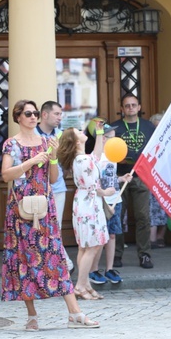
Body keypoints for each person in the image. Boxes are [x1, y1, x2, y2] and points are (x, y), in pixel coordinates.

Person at [1, 100, 99, 331]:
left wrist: (52, 157)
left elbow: (53, 178)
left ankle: (75, 313)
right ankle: (32, 316)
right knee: (24, 260)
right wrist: (32, 161)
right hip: (20, 210)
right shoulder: (11, 144)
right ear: (18, 117)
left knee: (55, 257)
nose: (34, 117)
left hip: (45, 208)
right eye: (28, 113)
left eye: (35, 113)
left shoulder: (47, 141)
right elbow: (5, 175)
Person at [58, 120, 112, 300]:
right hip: (89, 205)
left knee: (85, 246)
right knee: (93, 245)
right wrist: (107, 192)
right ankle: (80, 285)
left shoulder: (82, 158)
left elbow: (96, 156)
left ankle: (84, 283)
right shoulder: (82, 159)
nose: (82, 131)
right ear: (76, 141)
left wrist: (98, 134)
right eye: (78, 131)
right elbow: (92, 186)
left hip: (85, 204)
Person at [111, 95, 156, 269]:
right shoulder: (115, 127)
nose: (130, 108)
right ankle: (116, 255)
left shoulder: (148, 126)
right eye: (127, 106)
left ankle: (144, 255)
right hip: (120, 178)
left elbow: (155, 148)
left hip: (141, 178)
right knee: (118, 218)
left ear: (139, 107)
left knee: (143, 217)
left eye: (133, 105)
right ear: (122, 108)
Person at [35, 100, 73, 271]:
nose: (60, 117)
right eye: (56, 114)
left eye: (60, 114)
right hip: (37, 190)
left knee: (54, 228)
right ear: (44, 114)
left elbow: (67, 161)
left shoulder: (61, 135)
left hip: (57, 189)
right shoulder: (33, 135)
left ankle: (62, 264)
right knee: (38, 229)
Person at [91, 124, 127, 285]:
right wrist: (103, 194)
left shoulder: (114, 156)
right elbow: (94, 182)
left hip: (115, 201)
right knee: (100, 237)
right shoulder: (96, 157)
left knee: (112, 235)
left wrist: (121, 179)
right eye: (113, 137)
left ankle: (109, 268)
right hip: (101, 202)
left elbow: (111, 178)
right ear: (103, 138)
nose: (116, 141)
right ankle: (93, 269)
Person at [148, 112, 168, 248]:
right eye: (155, 126)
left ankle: (161, 237)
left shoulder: (168, 140)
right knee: (152, 209)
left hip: (166, 178)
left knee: (166, 208)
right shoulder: (149, 141)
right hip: (151, 178)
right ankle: (152, 239)